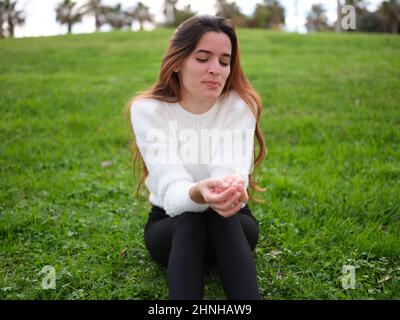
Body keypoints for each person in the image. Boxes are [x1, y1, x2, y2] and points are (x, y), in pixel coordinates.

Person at [125, 15, 267, 300]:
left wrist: (222, 192)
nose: (216, 69)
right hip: (170, 226)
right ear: (177, 62)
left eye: (224, 62)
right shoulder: (148, 110)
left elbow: (230, 173)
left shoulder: (239, 106)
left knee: (221, 215)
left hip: (234, 222)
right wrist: (198, 193)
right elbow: (172, 190)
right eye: (203, 58)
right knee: (191, 217)